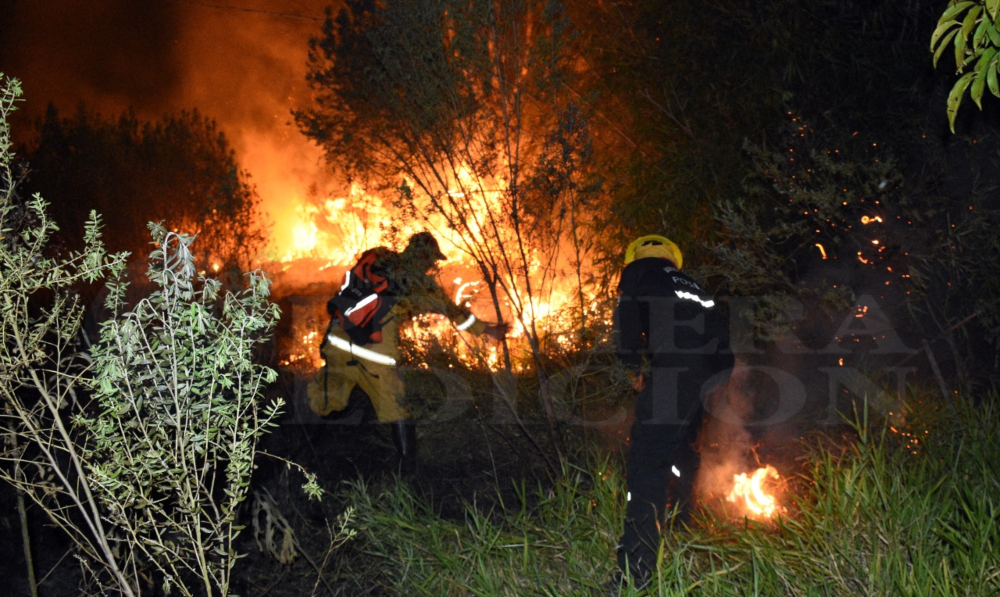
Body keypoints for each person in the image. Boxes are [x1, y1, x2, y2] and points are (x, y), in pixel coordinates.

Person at [306, 231, 506, 473]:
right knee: (396, 408)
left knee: (327, 402)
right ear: (425, 258)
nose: (432, 266)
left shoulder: (377, 258)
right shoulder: (420, 283)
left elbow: (348, 291)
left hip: (337, 342)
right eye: (432, 261)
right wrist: (489, 331)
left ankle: (303, 457)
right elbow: (455, 313)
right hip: (374, 354)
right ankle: (408, 474)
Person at [612, 234, 734, 587]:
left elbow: (629, 317)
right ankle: (681, 526)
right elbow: (722, 339)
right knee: (681, 449)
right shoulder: (694, 286)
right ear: (673, 258)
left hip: (674, 371)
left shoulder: (637, 272)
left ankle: (636, 573)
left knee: (647, 461)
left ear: (635, 256)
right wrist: (718, 384)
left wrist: (631, 364)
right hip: (708, 374)